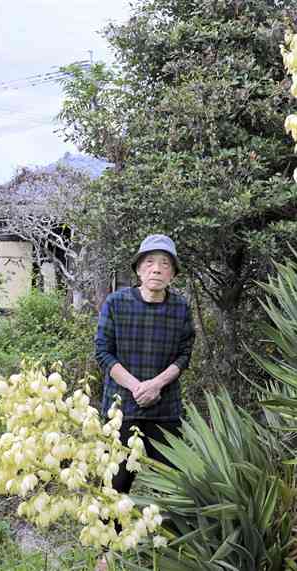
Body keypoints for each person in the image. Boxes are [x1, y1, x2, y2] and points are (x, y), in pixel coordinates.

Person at [93, 234, 195, 567]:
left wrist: (157, 384)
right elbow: (103, 352)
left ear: (173, 274)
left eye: (165, 264)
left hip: (165, 414)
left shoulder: (180, 308)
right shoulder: (117, 303)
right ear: (138, 269)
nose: (157, 269)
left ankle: (165, 553)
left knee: (170, 484)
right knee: (116, 482)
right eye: (150, 262)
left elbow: (184, 354)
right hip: (121, 412)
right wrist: (137, 385)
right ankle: (107, 554)